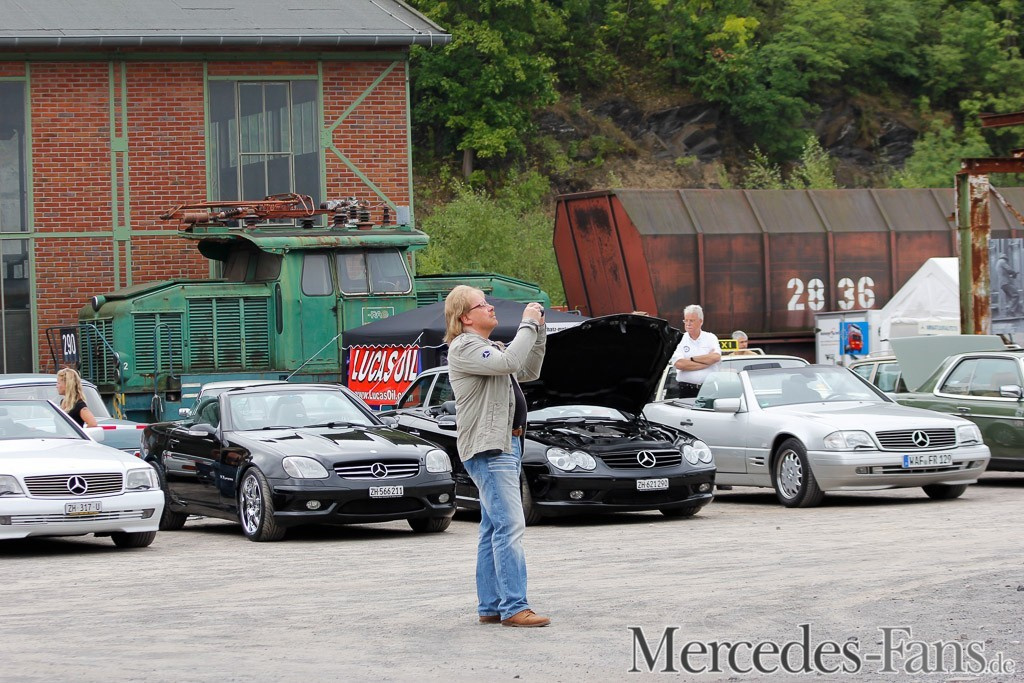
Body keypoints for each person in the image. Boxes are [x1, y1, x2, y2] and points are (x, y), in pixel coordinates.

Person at [444, 285, 550, 628]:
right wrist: (527, 324)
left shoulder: (490, 349)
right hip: (491, 449)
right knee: (510, 526)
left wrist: (539, 331)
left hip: (506, 445)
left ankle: (491, 606)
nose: (490, 308)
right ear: (465, 317)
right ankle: (514, 607)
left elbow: (528, 370)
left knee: (493, 528)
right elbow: (510, 362)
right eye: (483, 304)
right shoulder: (465, 346)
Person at [669, 304, 722, 398]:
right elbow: (680, 364)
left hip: (709, 389)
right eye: (686, 320)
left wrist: (691, 359)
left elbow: (716, 357)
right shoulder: (678, 339)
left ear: (701, 321)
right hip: (686, 389)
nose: (688, 324)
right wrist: (707, 363)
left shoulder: (711, 337)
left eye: (691, 320)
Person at [997, 250, 1022, 316]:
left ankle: (1019, 312)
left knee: (1012, 298)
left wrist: (1013, 275)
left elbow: (1005, 274)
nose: (1007, 262)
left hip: (1002, 284)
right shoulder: (1002, 261)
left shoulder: (998, 263)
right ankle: (1010, 311)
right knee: (1016, 295)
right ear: (1005, 259)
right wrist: (1014, 272)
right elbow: (1009, 269)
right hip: (1006, 283)